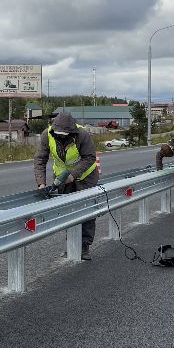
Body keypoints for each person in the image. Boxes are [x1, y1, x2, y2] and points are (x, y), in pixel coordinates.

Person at [34, 111, 100, 260]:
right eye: (59, 134)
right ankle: (72, 244)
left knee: (86, 211)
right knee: (68, 211)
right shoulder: (47, 135)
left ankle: (84, 246)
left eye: (65, 134)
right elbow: (40, 159)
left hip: (85, 177)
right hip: (62, 178)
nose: (62, 136)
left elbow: (90, 158)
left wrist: (73, 175)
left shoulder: (82, 135)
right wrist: (41, 183)